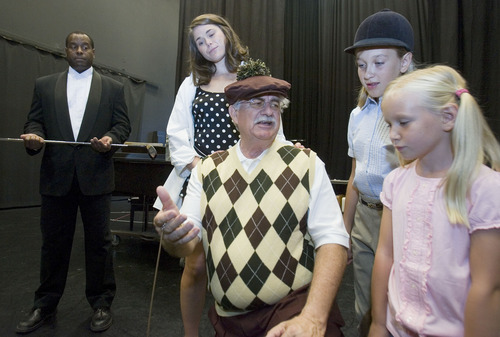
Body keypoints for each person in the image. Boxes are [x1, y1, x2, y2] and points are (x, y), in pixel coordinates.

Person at [153, 72, 349, 337]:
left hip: (293, 313)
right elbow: (187, 244)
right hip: (229, 323)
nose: (268, 111)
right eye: (258, 103)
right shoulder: (206, 170)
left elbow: (333, 241)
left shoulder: (306, 163)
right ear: (234, 113)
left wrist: (312, 318)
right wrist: (172, 236)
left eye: (275, 104)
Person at [152, 14, 289, 337]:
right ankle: (190, 334)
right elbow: (176, 133)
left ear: (226, 34)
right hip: (202, 181)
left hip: (249, 182)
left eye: (211, 35)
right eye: (199, 41)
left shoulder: (252, 75)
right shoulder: (192, 83)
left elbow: (272, 123)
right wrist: (199, 167)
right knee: (196, 266)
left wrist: (286, 154)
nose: (207, 43)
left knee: (246, 261)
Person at [369, 65, 500, 336]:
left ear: (448, 117)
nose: (393, 134)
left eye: (403, 123)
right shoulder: (396, 181)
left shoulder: (484, 189)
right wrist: (379, 323)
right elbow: (385, 255)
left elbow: (486, 288)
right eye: (389, 124)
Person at [16, 31, 131, 334]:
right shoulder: (44, 86)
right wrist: (32, 137)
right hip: (56, 178)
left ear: (94, 51)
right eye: (73, 46)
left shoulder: (114, 88)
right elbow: (34, 122)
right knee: (53, 245)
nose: (79, 51)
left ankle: (101, 303)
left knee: (100, 245)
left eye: (85, 47)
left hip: (96, 177)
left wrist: (111, 139)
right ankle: (44, 304)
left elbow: (121, 125)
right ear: (65, 51)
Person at [342, 9, 416, 328]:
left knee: (400, 311)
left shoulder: (416, 116)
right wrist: (345, 230)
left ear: (404, 62)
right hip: (364, 221)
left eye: (379, 63)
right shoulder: (358, 116)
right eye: (361, 64)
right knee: (366, 308)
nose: (368, 73)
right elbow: (355, 177)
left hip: (401, 221)